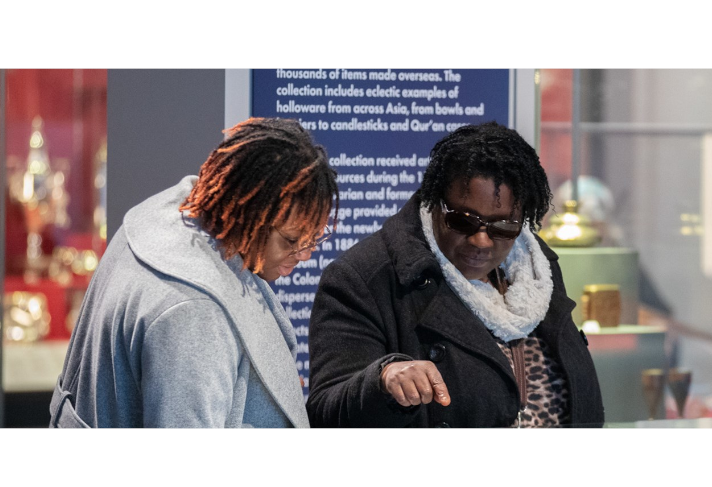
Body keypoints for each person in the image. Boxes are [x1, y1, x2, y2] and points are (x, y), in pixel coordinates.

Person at [307, 121, 604, 428]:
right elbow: (325, 412)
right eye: (463, 221)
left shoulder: (536, 267)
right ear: (435, 202)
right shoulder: (365, 278)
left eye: (503, 227)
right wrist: (382, 380)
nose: (481, 241)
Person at [49, 117, 338, 428]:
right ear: (247, 213)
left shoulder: (162, 216)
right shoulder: (194, 312)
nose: (305, 255)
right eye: (292, 241)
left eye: (313, 239)